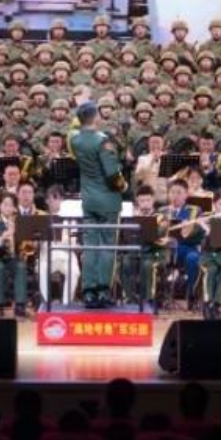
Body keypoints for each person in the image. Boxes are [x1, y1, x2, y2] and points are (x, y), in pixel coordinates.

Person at [70, 92, 125, 308]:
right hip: (108, 201)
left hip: (89, 199)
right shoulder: (103, 142)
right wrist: (124, 186)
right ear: (95, 117)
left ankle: (88, 292)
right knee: (107, 246)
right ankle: (102, 291)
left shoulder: (75, 140)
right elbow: (112, 174)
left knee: (91, 245)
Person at [0, 193, 31, 317]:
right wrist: (2, 238)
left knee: (21, 266)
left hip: (12, 257)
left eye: (11, 205)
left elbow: (24, 245)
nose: (8, 208)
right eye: (5, 204)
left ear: (14, 208)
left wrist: (17, 236)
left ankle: (20, 305)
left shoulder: (18, 222)